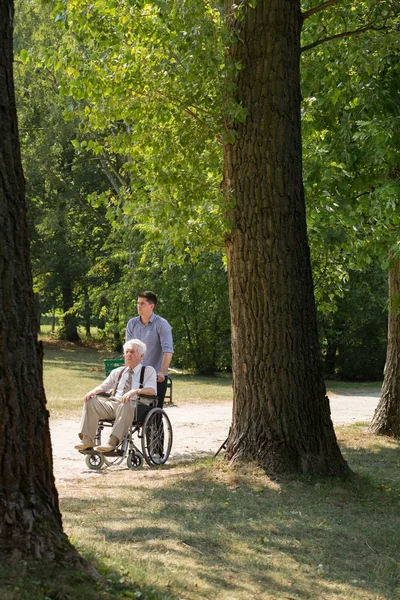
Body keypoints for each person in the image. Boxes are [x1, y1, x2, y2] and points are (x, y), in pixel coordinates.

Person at [74, 339, 156, 453]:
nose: (128, 355)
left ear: (141, 356)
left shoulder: (148, 371)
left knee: (126, 403)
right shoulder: (118, 372)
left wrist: (135, 391)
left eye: (132, 352)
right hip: (113, 404)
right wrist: (92, 392)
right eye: (126, 352)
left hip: (134, 407)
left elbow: (152, 390)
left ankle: (112, 442)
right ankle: (87, 440)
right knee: (91, 401)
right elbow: (104, 386)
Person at [125, 290, 173, 408]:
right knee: (131, 410)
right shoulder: (132, 323)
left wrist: (162, 371)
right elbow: (127, 350)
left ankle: (157, 427)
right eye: (138, 303)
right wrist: (126, 369)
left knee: (154, 412)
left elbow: (168, 350)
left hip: (156, 376)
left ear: (151, 306)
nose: (139, 306)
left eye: (142, 303)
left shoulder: (161, 324)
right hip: (136, 373)